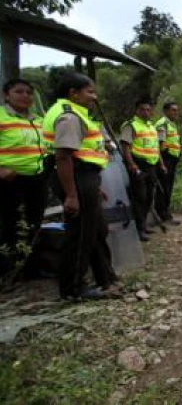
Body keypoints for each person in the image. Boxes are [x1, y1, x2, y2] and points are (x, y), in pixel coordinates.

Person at [42, 72, 119, 300]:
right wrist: (72, 195)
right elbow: (63, 157)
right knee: (81, 234)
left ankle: (105, 277)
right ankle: (73, 288)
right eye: (90, 92)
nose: (94, 97)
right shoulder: (69, 116)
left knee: (97, 230)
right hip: (76, 176)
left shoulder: (76, 113)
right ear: (73, 93)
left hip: (84, 177)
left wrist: (92, 187)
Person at [0, 79, 48, 280]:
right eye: (19, 92)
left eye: (29, 92)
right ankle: (8, 270)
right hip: (10, 181)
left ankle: (30, 268)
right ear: (6, 95)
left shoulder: (38, 120)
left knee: (34, 222)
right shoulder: (2, 117)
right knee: (11, 224)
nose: (25, 96)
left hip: (37, 179)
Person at [120, 97, 166, 242]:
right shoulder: (131, 125)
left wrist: (161, 164)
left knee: (149, 197)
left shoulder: (151, 127)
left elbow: (156, 147)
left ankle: (143, 225)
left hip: (152, 165)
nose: (146, 112)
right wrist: (131, 164)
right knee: (139, 197)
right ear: (137, 110)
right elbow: (125, 147)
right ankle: (138, 230)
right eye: (142, 110)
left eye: (148, 110)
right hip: (138, 165)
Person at [154, 101, 181, 226]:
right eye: (173, 110)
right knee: (164, 188)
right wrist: (162, 163)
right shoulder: (163, 124)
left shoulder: (171, 124)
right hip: (165, 158)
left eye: (176, 110)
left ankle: (165, 213)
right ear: (166, 111)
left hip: (172, 158)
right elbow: (160, 145)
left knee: (168, 187)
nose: (176, 113)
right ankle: (163, 215)